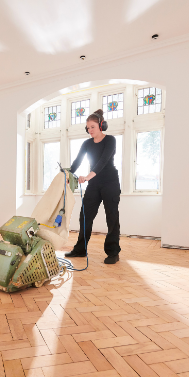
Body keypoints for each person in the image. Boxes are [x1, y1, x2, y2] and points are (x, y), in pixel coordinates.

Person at [65, 109, 121, 264]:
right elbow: (77, 162)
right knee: (85, 215)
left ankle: (113, 252)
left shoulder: (110, 140)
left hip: (110, 182)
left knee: (112, 217)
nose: (89, 130)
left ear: (101, 126)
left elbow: (103, 161)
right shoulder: (86, 144)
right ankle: (80, 249)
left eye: (92, 127)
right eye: (87, 128)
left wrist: (88, 176)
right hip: (94, 184)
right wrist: (67, 175)